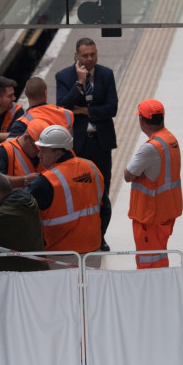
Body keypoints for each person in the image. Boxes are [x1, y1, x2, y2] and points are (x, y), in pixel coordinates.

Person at [56, 37, 118, 251]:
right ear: (76, 56)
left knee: (102, 193)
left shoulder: (106, 74)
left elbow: (112, 108)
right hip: (77, 145)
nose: (90, 59)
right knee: (78, 192)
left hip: (101, 144)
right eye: (85, 55)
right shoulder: (64, 76)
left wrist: (85, 111)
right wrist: (79, 84)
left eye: (93, 54)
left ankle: (100, 236)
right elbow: (62, 107)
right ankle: (79, 235)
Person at [27, 125, 103, 258]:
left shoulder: (47, 181)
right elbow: (105, 208)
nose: (39, 155)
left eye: (44, 150)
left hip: (60, 254)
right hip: (92, 251)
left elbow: (18, 202)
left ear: (58, 153)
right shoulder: (91, 167)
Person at [124, 99, 183, 269]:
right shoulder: (170, 139)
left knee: (149, 262)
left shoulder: (150, 148)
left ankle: (152, 290)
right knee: (159, 254)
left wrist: (140, 173)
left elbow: (128, 175)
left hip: (150, 216)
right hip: (166, 211)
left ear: (142, 121)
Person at [0, 118, 49, 189]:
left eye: (42, 150)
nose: (39, 154)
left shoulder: (45, 153)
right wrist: (25, 180)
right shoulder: (5, 150)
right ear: (26, 138)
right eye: (36, 148)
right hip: (12, 199)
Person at [7, 76, 74, 138]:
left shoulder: (23, 122)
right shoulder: (67, 114)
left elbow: (11, 147)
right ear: (45, 93)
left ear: (26, 93)